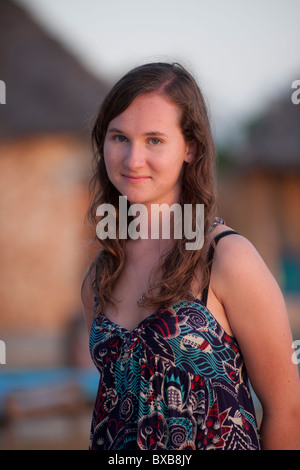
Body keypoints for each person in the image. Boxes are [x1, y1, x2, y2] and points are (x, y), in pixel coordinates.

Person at [81, 62, 300, 450]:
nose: (132, 159)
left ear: (190, 148)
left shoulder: (227, 259)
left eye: (154, 140)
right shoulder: (100, 276)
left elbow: (288, 411)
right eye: (119, 138)